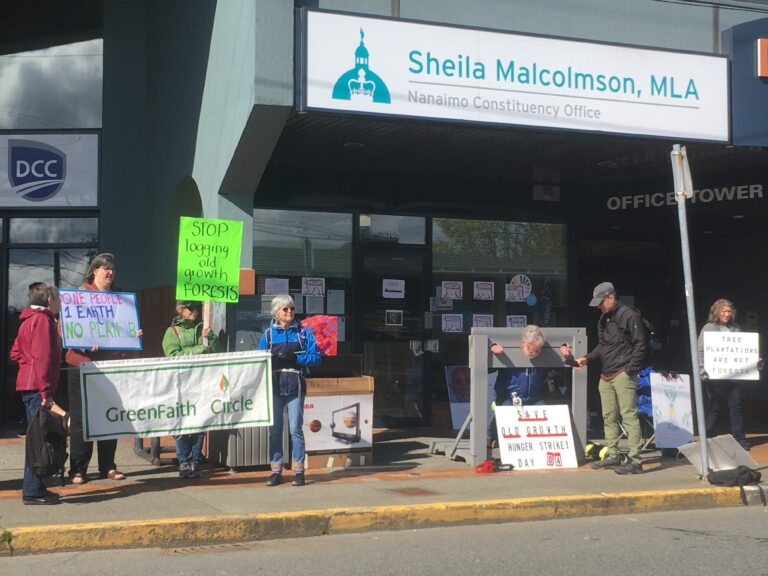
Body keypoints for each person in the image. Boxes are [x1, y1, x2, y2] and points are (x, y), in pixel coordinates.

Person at [65, 253, 139, 484]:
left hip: (109, 368)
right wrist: (83, 342)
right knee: (81, 420)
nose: (110, 272)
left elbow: (122, 330)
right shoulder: (79, 296)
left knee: (109, 418)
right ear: (94, 271)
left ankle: (108, 466)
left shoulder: (120, 299)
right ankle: (78, 469)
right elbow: (63, 329)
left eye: (112, 269)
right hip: (82, 366)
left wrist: (132, 337)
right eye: (105, 268)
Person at [576, 282, 646, 475]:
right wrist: (587, 359)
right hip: (606, 374)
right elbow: (603, 346)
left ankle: (635, 460)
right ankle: (613, 455)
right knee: (609, 416)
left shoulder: (628, 315)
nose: (598, 306)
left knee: (628, 415)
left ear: (610, 297)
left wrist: (630, 369)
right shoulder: (604, 318)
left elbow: (640, 344)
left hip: (622, 373)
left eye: (600, 302)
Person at [11, 282, 67, 505]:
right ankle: (33, 491)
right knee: (39, 441)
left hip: (28, 385)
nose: (60, 302)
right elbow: (42, 358)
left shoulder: (26, 321)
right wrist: (45, 391)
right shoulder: (43, 321)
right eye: (57, 298)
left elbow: (15, 353)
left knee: (38, 438)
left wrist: (27, 365)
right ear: (48, 300)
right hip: (38, 388)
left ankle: (36, 487)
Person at [258, 294, 321, 487]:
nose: (290, 312)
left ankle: (299, 471)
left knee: (295, 429)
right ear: (276, 312)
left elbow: (316, 357)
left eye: (292, 308)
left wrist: (297, 359)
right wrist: (272, 359)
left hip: (295, 384)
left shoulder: (303, 333)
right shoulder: (268, 335)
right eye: (285, 309)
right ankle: (276, 471)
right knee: (275, 430)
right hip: (275, 384)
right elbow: (258, 360)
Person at [162, 301, 222, 477]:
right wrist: (199, 349)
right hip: (180, 383)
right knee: (181, 423)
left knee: (200, 422)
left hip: (201, 381)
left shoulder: (204, 329)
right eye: (190, 307)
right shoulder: (172, 332)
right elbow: (172, 356)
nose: (194, 311)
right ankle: (184, 461)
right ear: (181, 311)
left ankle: (195, 460)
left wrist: (211, 337)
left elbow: (219, 352)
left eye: (196, 307)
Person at [697, 299, 751, 451]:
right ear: (717, 312)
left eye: (729, 311)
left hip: (732, 377)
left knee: (736, 406)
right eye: (723, 311)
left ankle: (739, 439)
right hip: (713, 376)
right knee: (713, 406)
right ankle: (708, 437)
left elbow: (742, 349)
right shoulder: (708, 328)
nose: (727, 314)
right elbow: (700, 350)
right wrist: (702, 369)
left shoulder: (736, 328)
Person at [487, 325, 551, 441]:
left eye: (537, 350)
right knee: (506, 413)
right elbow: (487, 369)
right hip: (508, 397)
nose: (533, 353)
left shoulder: (544, 355)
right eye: (530, 348)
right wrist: (492, 347)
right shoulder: (508, 352)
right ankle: (490, 436)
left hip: (534, 398)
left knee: (545, 415)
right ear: (522, 343)